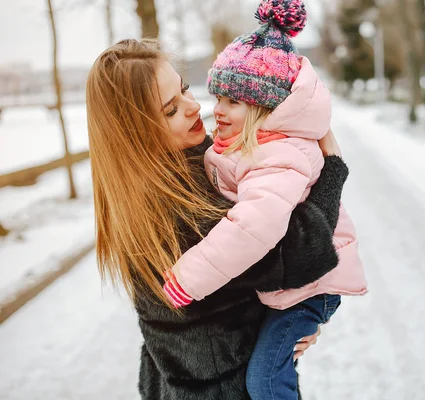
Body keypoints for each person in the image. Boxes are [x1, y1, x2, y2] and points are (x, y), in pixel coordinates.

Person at [86, 37, 352, 400]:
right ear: (136, 133)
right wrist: (332, 170)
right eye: (170, 110)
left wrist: (288, 329)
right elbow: (299, 253)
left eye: (183, 90)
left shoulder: (173, 173)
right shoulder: (175, 206)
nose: (195, 107)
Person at [161, 1, 368, 398]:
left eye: (232, 102)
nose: (215, 110)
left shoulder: (276, 156)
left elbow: (253, 225)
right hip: (290, 292)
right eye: (217, 96)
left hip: (308, 290)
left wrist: (186, 280)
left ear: (265, 108)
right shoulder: (244, 146)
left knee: (267, 382)